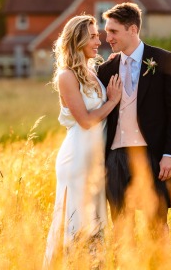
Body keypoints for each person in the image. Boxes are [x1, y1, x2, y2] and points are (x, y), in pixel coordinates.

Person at [97, 2, 171, 242]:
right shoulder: (105, 70)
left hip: (152, 155)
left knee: (157, 225)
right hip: (115, 158)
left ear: (133, 29)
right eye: (107, 31)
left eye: (114, 31)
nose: (108, 38)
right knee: (120, 228)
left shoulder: (165, 60)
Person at [43, 15, 122, 268]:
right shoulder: (66, 76)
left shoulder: (91, 71)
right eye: (93, 36)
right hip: (77, 159)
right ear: (78, 39)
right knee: (76, 221)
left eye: (98, 35)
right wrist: (112, 102)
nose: (99, 40)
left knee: (96, 221)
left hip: (95, 159)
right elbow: (86, 120)